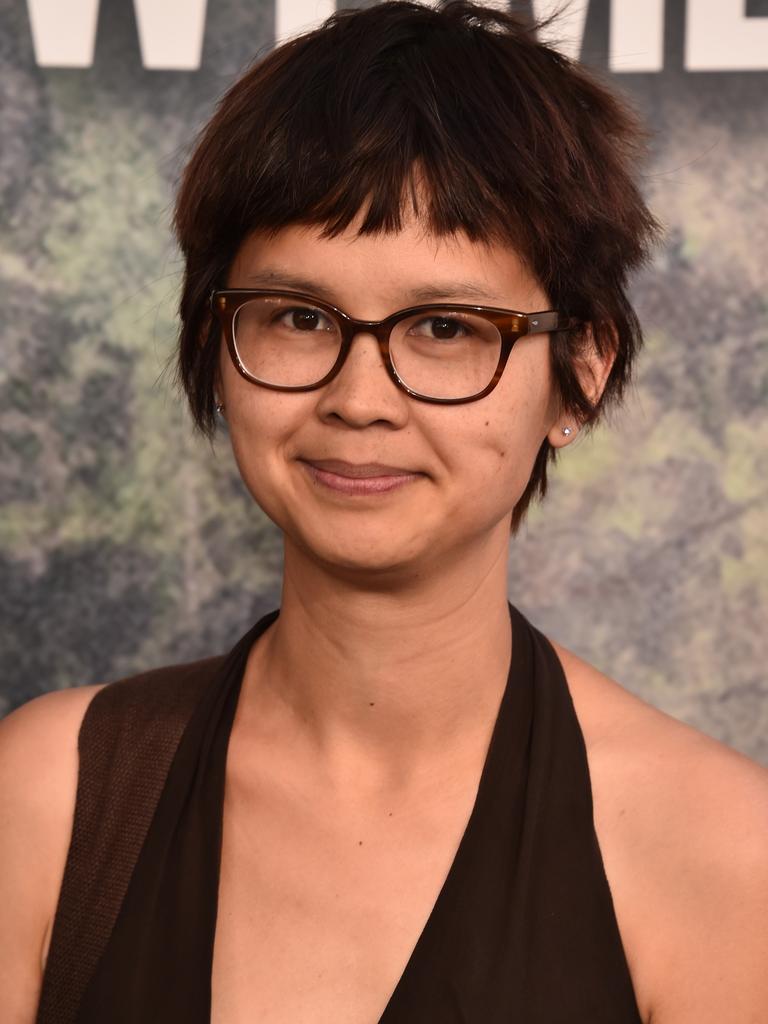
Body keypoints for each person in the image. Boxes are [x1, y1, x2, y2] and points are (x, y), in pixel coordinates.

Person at [2, 1, 767, 1021]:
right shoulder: (49, 795)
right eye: (300, 317)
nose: (359, 398)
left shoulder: (721, 850)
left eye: (447, 327)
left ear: (579, 376)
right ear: (212, 340)